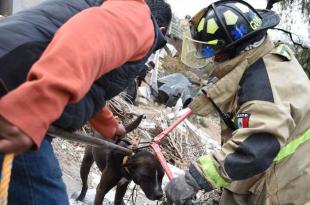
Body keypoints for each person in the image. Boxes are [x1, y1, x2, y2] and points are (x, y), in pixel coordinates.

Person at [0, 0, 171, 204]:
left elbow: (87, 80)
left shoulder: (111, 8)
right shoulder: (141, 20)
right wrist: (35, 107)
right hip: (13, 94)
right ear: (160, 29)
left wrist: (108, 125)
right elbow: (84, 41)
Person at [165, 0, 310, 204]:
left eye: (211, 52)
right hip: (280, 172)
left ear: (230, 51)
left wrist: (195, 179)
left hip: (286, 189)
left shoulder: (264, 86)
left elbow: (255, 147)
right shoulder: (266, 58)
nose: (212, 59)